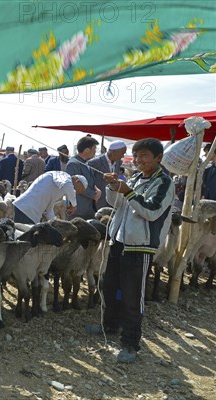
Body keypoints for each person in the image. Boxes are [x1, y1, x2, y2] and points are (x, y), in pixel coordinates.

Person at [87, 138, 175, 364]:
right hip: (119, 241)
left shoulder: (164, 182)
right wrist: (113, 187)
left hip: (140, 247)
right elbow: (117, 203)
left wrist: (128, 192)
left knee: (133, 296)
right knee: (110, 285)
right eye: (136, 156)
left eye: (144, 156)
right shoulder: (135, 178)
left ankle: (130, 343)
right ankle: (110, 325)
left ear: (158, 158)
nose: (138, 161)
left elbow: (152, 211)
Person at [12, 171, 88, 224]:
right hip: (26, 209)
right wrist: (74, 205)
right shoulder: (63, 176)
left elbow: (49, 209)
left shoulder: (59, 187)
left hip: (28, 211)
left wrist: (56, 223)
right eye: (79, 190)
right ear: (77, 181)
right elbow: (68, 186)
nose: (76, 192)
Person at [65, 136, 101, 220]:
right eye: (94, 149)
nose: (95, 151)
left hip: (88, 209)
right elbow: (75, 186)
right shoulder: (73, 164)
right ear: (87, 150)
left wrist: (96, 189)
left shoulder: (86, 163)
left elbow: (89, 181)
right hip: (78, 210)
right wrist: (94, 195)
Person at [88, 140, 127, 209]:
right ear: (113, 152)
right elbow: (88, 182)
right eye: (122, 153)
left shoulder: (118, 162)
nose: (123, 156)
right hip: (99, 202)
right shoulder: (95, 163)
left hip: (113, 202)